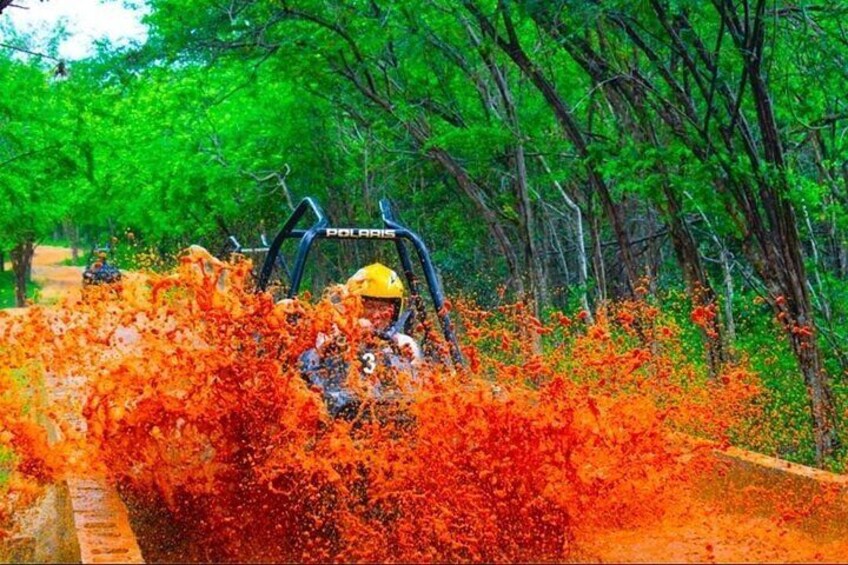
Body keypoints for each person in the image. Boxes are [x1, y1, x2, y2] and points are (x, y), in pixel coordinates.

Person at [299, 263, 423, 419]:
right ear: (353, 305)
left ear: (395, 311)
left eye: (384, 308)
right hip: (336, 411)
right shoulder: (331, 332)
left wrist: (404, 360)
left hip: (388, 414)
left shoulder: (403, 343)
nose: (377, 315)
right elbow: (306, 369)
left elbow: (415, 390)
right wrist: (330, 347)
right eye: (369, 306)